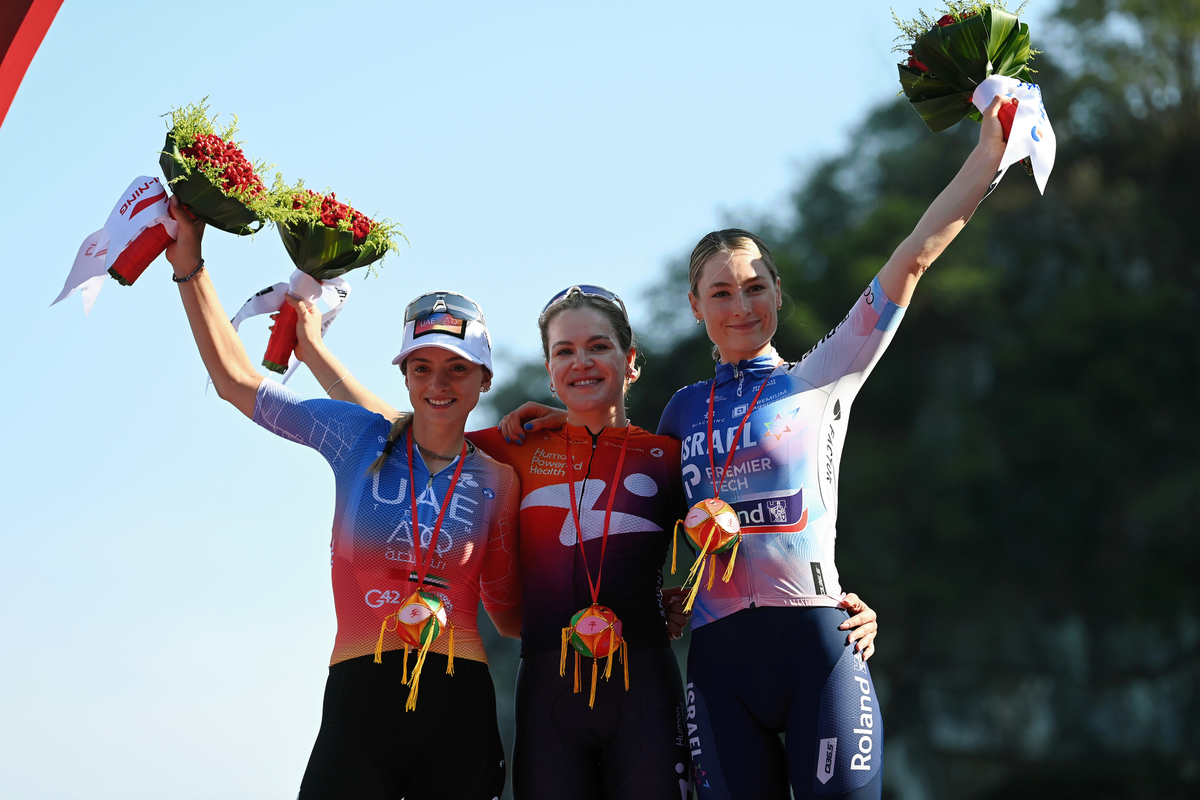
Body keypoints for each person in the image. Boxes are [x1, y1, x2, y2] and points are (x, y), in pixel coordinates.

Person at [508, 97, 1014, 799]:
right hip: (719, 666)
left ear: (778, 292)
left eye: (754, 287)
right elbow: (631, 488)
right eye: (721, 293)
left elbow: (915, 258)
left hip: (819, 648)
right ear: (695, 307)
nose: (740, 306)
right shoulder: (680, 413)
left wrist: (988, 155)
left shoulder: (822, 377)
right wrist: (552, 419)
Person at [293, 283, 879, 800]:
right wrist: (315, 350)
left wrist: (838, 600)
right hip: (548, 693)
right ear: (548, 369)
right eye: (564, 352)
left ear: (631, 363)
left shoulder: (667, 454)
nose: (581, 363)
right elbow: (406, 429)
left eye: (598, 346)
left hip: (645, 687)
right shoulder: (511, 446)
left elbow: (753, 533)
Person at [164, 197, 522, 800]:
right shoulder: (359, 437)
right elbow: (235, 381)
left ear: (484, 378)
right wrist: (189, 263)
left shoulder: (501, 481)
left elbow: (512, 615)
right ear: (404, 373)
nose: (438, 383)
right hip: (360, 702)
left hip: (459, 708)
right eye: (422, 366)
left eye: (457, 369)